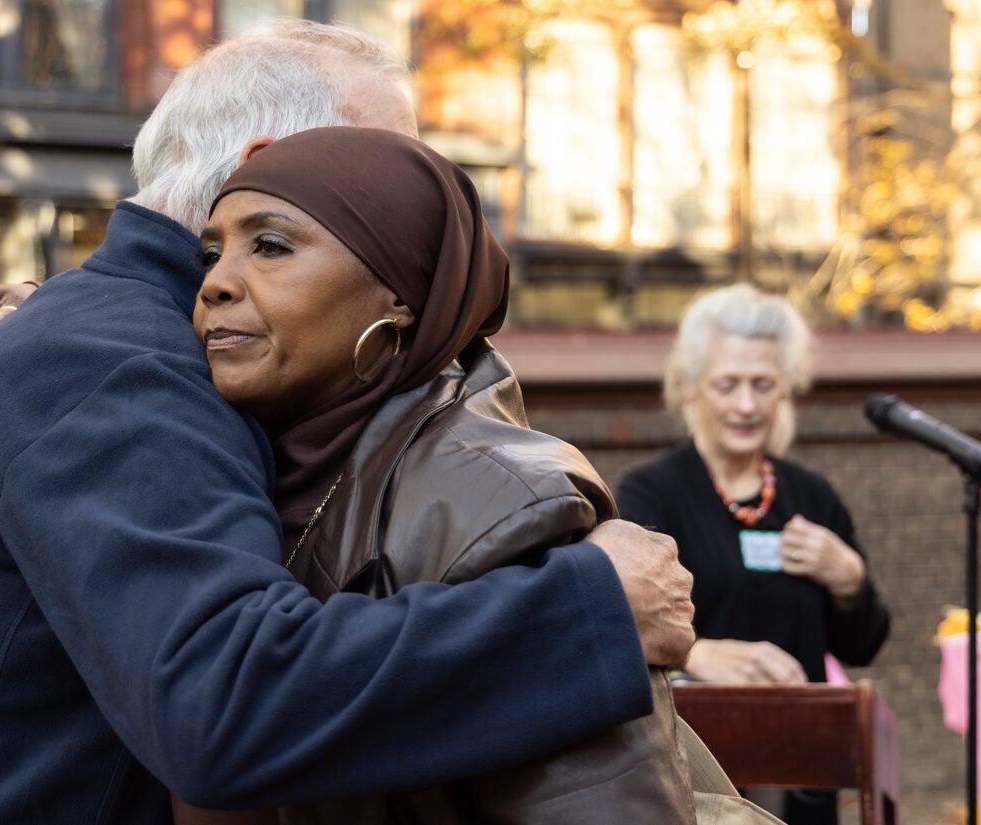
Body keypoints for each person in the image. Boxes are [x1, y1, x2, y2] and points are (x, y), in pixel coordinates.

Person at [0, 23, 695, 824]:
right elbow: (222, 703)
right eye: (390, 171)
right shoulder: (124, 367)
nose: (415, 206)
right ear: (267, 169)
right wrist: (589, 610)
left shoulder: (106, 342)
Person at [168, 124, 757, 825]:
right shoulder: (237, 466)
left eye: (270, 246)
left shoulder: (501, 502)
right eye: (212, 252)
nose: (217, 284)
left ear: (399, 293)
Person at [616, 283, 890, 825]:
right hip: (694, 778)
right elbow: (617, 626)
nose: (746, 405)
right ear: (691, 389)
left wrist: (851, 581)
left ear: (785, 391)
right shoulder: (651, 494)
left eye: (763, 385)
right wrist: (697, 655)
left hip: (803, 779)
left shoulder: (811, 497)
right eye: (728, 385)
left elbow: (865, 643)